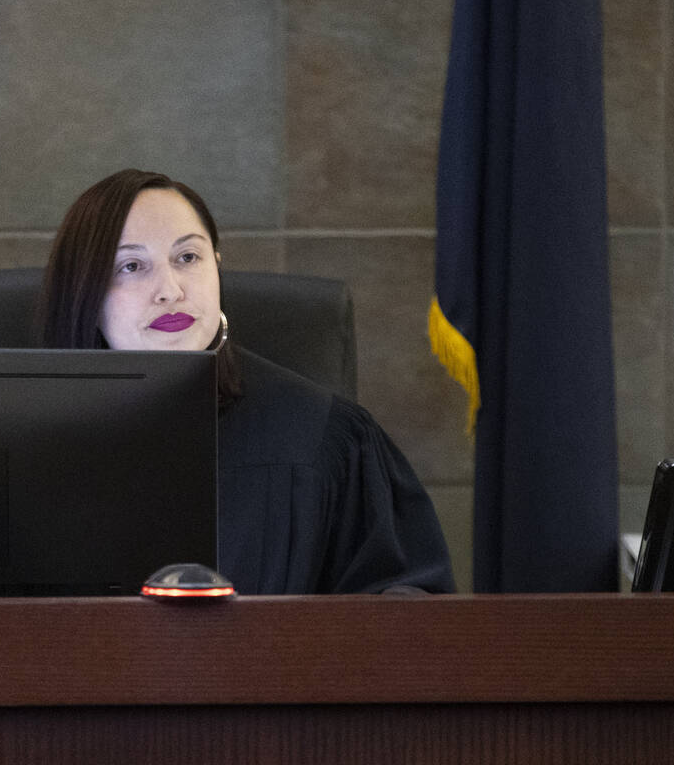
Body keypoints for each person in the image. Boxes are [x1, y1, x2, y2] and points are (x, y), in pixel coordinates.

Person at [38, 169, 455, 595]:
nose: (170, 289)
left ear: (217, 266)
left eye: (188, 258)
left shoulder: (322, 434)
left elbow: (407, 608)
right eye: (131, 266)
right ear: (83, 293)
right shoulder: (31, 441)